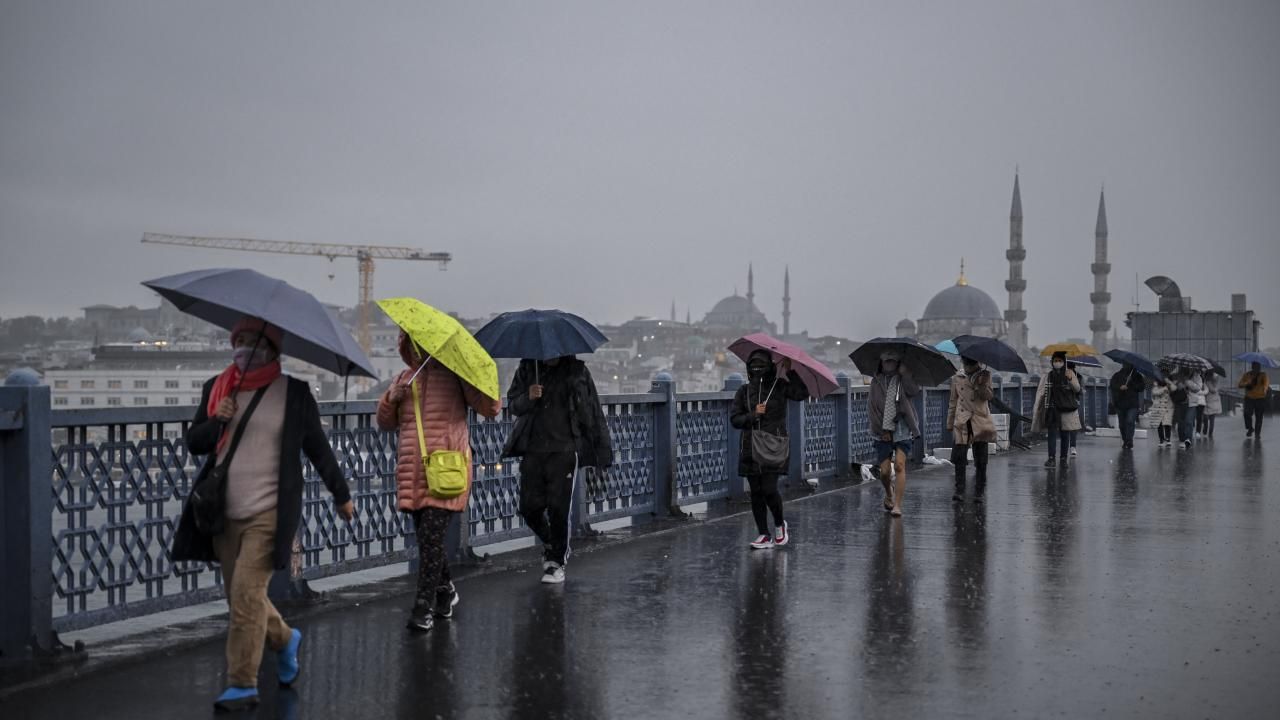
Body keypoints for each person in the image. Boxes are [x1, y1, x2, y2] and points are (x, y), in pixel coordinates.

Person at [172, 317, 354, 713]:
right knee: (241, 599)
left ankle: (241, 682)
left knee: (246, 594)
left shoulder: (294, 393)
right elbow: (195, 443)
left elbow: (318, 448)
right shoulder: (218, 389)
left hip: (269, 513)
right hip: (223, 513)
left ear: (273, 349)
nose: (245, 348)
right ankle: (286, 638)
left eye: (255, 341)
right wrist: (217, 417)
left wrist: (341, 494)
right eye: (241, 340)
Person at [377, 330, 501, 632]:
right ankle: (445, 591)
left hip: (446, 469)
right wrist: (391, 400)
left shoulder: (455, 377)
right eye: (415, 345)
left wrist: (478, 383)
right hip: (412, 470)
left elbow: (490, 408)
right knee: (427, 541)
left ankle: (423, 607)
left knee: (431, 539)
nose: (420, 351)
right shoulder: (403, 380)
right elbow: (385, 422)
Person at [503, 355, 613, 583]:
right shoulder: (528, 367)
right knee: (528, 507)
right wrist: (528, 397)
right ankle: (553, 544)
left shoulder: (577, 371)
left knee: (558, 509)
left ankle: (555, 563)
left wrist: (598, 449)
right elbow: (513, 403)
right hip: (533, 448)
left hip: (564, 450)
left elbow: (591, 411)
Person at [729, 351, 811, 548]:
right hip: (750, 447)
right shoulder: (743, 391)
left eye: (761, 365)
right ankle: (763, 534)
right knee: (756, 492)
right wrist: (752, 415)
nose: (757, 370)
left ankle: (779, 524)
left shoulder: (780, 387)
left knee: (769, 489)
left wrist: (791, 372)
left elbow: (801, 394)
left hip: (773, 446)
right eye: (754, 366)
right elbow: (735, 419)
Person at [868, 350, 921, 517]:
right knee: (884, 472)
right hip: (882, 428)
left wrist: (905, 375)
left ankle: (898, 505)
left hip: (903, 426)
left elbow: (914, 391)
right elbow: (872, 407)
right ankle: (889, 493)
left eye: (892, 361)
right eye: (886, 361)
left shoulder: (904, 379)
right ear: (881, 363)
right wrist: (883, 430)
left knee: (899, 465)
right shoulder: (876, 381)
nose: (889, 364)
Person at [945, 356, 995, 503]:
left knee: (981, 460)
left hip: (980, 419)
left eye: (971, 364)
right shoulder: (957, 378)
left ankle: (979, 491)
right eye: (966, 363)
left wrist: (981, 385)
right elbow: (953, 402)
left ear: (977, 363)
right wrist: (949, 423)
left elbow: (989, 396)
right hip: (962, 420)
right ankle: (959, 490)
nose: (968, 366)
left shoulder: (985, 376)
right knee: (959, 457)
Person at [1032, 351, 1082, 467]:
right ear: (1052, 362)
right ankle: (1051, 458)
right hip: (1052, 409)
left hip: (1066, 408)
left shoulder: (1069, 373)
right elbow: (1041, 392)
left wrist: (1070, 379)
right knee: (1052, 434)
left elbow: (1077, 389)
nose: (1057, 363)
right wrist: (1039, 408)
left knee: (1065, 435)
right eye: (1055, 361)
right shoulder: (1048, 375)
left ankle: (1063, 459)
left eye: (1060, 361)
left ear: (1064, 362)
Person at [1109, 363, 1147, 450]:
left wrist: (1132, 383)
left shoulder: (1137, 376)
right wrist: (1120, 387)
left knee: (1130, 421)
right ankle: (1125, 440)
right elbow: (1112, 385)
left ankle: (1129, 440)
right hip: (1120, 403)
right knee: (1122, 425)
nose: (1126, 366)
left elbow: (1141, 387)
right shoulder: (1117, 375)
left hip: (1132, 404)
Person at [1171, 368, 1201, 450]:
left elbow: (1198, 387)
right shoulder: (1177, 375)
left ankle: (1188, 439)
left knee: (1189, 421)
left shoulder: (1196, 376)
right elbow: (1172, 386)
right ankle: (1182, 439)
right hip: (1180, 402)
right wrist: (1177, 386)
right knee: (1181, 423)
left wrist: (1187, 383)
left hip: (1192, 403)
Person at [1238, 361, 1270, 438]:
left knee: (1259, 417)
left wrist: (1265, 389)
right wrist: (1247, 383)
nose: (1257, 369)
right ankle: (1250, 428)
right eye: (1255, 367)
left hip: (1260, 398)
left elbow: (1266, 383)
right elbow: (1240, 384)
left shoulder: (1263, 375)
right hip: (1249, 398)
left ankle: (1257, 433)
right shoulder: (1247, 375)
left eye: (1258, 367)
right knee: (1246, 413)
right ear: (1252, 367)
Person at [1149, 374, 1175, 448]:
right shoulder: (1156, 386)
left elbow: (1174, 390)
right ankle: (1161, 439)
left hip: (1168, 408)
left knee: (1167, 424)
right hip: (1158, 408)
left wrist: (1169, 384)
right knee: (1159, 424)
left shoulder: (1170, 385)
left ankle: (1168, 439)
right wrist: (1164, 388)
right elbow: (1155, 392)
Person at [1202, 372, 1221, 440]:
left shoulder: (1208, 382)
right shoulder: (1210, 382)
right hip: (1210, 401)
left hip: (1210, 401)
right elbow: (1213, 390)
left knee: (1208, 417)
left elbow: (1213, 390)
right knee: (1210, 418)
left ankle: (1208, 432)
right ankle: (1209, 433)